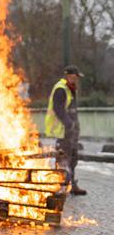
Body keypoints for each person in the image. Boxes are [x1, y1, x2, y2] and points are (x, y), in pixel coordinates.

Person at [45, 65, 86, 196]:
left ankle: (71, 184)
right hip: (64, 131)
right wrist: (69, 124)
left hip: (71, 131)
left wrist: (75, 126)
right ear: (69, 76)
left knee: (73, 159)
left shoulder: (70, 88)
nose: (77, 79)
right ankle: (60, 186)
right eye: (75, 77)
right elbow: (58, 109)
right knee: (63, 159)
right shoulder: (61, 89)